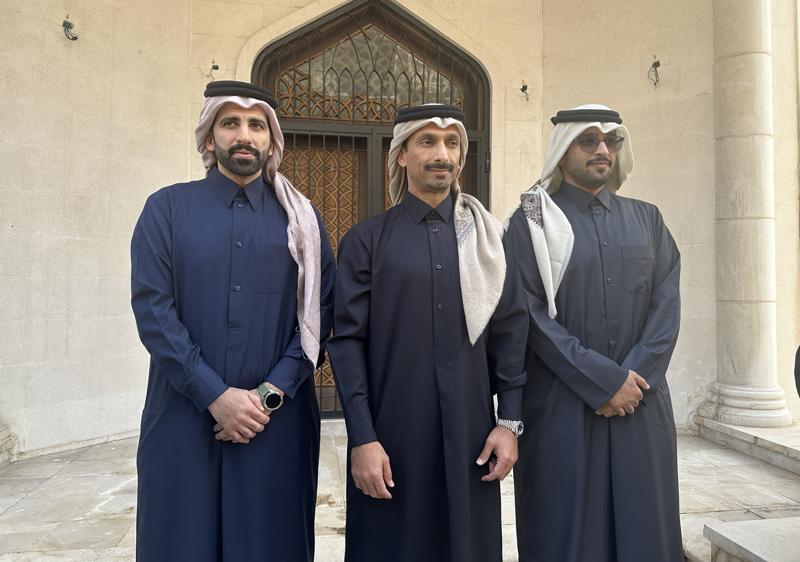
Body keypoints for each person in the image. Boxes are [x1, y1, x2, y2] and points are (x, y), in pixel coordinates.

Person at [130, 80, 334, 561]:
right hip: (183, 418)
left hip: (276, 424)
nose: (244, 135)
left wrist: (265, 396)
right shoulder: (166, 209)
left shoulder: (303, 221)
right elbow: (154, 311)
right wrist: (215, 396)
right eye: (231, 124)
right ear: (209, 137)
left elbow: (320, 315)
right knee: (180, 544)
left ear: (272, 140)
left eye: (256, 125)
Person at [328, 104, 528, 562]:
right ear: (401, 155)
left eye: (452, 143)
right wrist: (363, 438)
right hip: (392, 439)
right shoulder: (367, 241)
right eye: (428, 142)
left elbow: (511, 333)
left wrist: (509, 424)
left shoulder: (490, 243)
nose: (443, 154)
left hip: (473, 438)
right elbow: (348, 344)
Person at [507, 104, 682, 562]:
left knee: (645, 533)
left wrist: (631, 380)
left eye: (611, 141)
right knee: (565, 536)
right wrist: (604, 382)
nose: (602, 149)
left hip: (640, 404)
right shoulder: (531, 223)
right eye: (588, 140)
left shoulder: (648, 219)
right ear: (563, 149)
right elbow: (529, 316)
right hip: (561, 407)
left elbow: (666, 309)